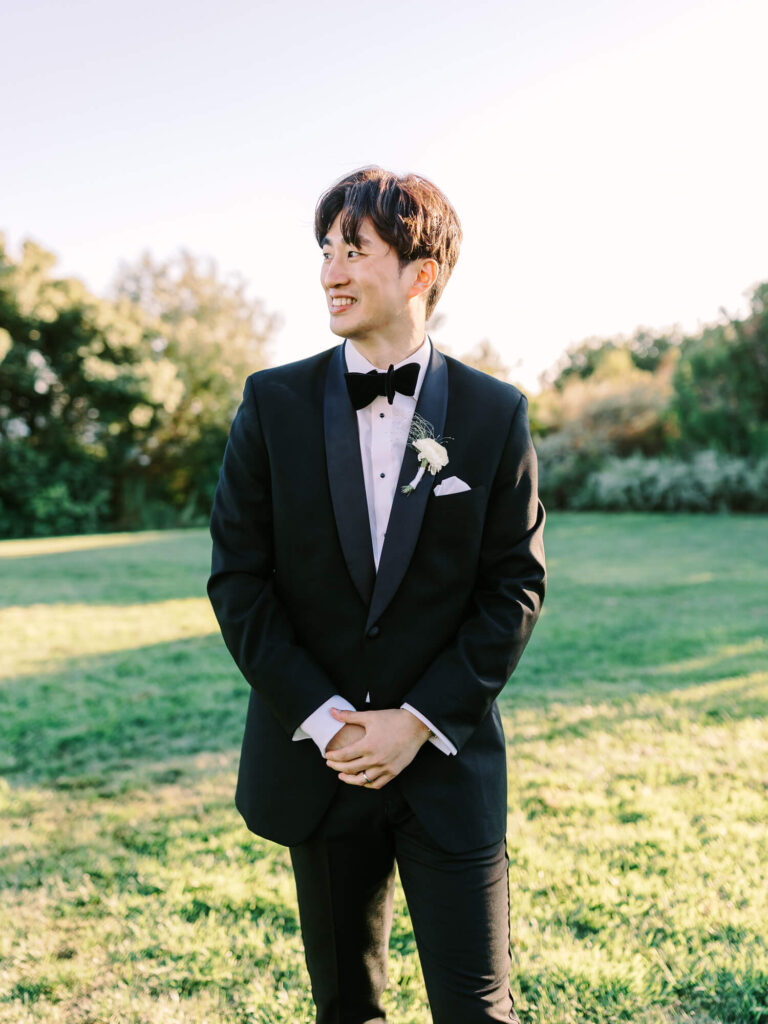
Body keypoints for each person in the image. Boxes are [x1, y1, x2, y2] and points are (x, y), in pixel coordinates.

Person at [207, 166, 546, 1024]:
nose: (330, 270)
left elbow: (515, 585)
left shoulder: (492, 412)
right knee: (345, 1009)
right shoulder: (272, 403)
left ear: (418, 274)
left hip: (446, 764)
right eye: (324, 250)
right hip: (320, 765)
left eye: (353, 249)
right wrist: (329, 720)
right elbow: (238, 581)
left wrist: (418, 720)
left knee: (479, 1011)